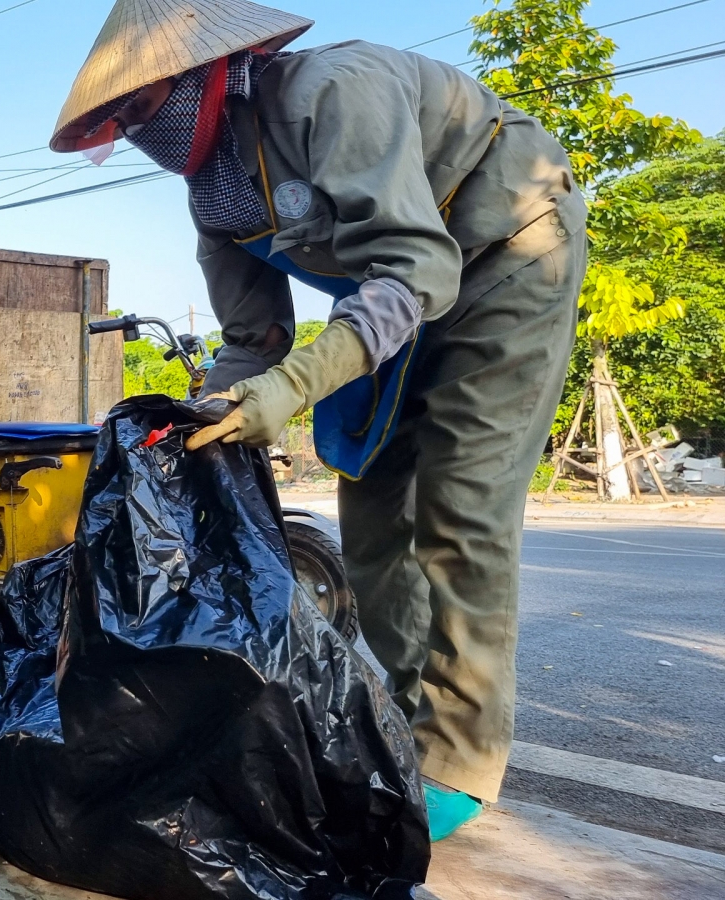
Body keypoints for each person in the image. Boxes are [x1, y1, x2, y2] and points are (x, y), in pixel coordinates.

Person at [52, 0, 586, 841]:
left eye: (141, 107)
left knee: (460, 509)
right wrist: (188, 425)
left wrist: (291, 388)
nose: (133, 132)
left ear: (206, 75)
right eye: (118, 120)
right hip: (392, 300)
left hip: (503, 256)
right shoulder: (213, 194)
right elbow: (252, 339)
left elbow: (414, 269)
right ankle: (402, 721)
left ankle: (456, 760)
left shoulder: (333, 92)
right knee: (369, 508)